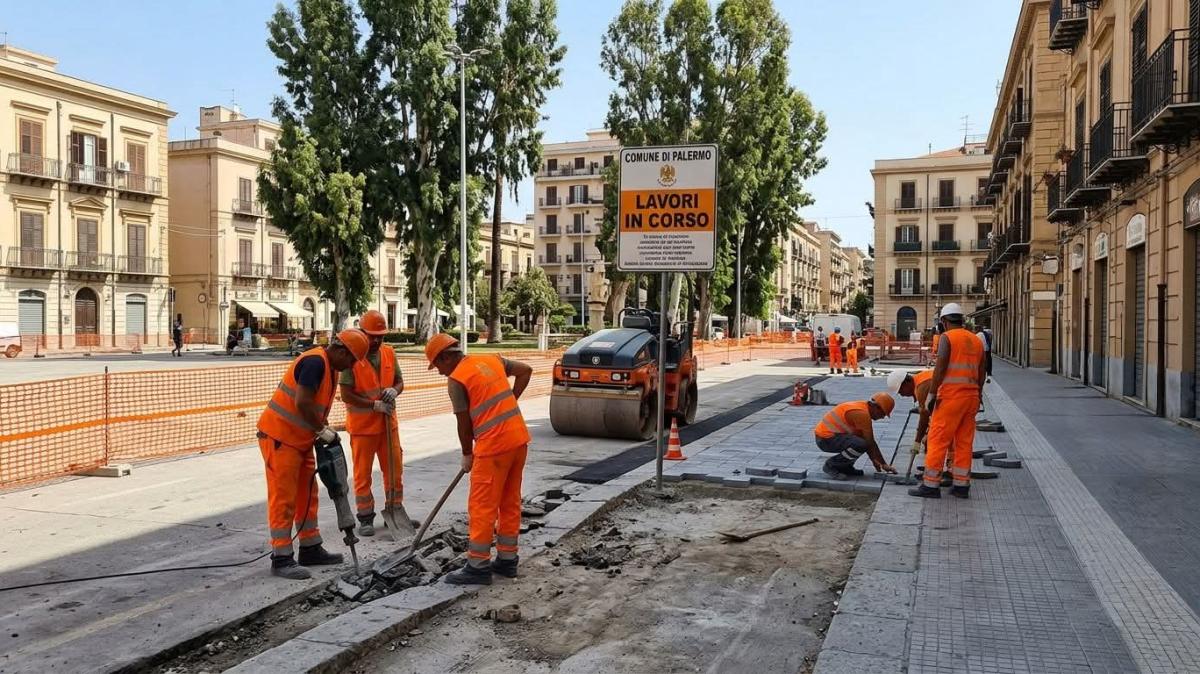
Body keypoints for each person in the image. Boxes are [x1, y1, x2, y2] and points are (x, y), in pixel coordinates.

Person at [255, 328, 369, 579]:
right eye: (351, 360)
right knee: (284, 497)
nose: (351, 366)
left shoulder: (331, 368)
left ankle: (310, 547)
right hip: (280, 438)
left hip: (301, 440)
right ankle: (281, 557)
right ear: (342, 351)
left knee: (307, 494)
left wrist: (321, 430)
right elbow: (303, 403)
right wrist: (321, 429)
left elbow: (315, 406)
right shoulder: (315, 362)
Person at [426, 333, 533, 585]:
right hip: (518, 440)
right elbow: (526, 371)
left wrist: (466, 453)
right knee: (509, 501)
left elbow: (463, 425)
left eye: (437, 365)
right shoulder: (492, 359)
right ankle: (507, 560)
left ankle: (478, 565)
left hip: (493, 448)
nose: (439, 371)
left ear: (445, 358)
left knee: (482, 506)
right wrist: (512, 400)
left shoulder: (457, 379)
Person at [339, 310, 407, 537]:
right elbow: (346, 394)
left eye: (381, 336)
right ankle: (365, 517)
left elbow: (399, 381)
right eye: (372, 336)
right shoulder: (352, 357)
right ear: (362, 333)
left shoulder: (389, 352)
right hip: (363, 428)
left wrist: (394, 390)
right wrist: (374, 405)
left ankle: (395, 511)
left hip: (388, 425)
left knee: (394, 471)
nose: (377, 341)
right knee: (362, 474)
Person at [910, 303, 986, 499]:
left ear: (944, 321)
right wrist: (978, 395)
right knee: (964, 442)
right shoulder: (976, 340)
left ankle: (930, 485)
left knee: (938, 439)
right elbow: (982, 372)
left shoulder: (947, 337)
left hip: (951, 398)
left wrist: (932, 394)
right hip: (971, 398)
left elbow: (940, 368)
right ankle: (961, 486)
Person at [814, 392, 898, 479]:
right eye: (883, 413)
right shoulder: (861, 414)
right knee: (860, 444)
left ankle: (844, 467)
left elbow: (868, 442)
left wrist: (878, 461)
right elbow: (870, 442)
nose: (883, 417)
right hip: (825, 439)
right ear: (876, 407)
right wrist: (882, 464)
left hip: (829, 437)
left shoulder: (862, 408)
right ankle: (831, 465)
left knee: (860, 443)